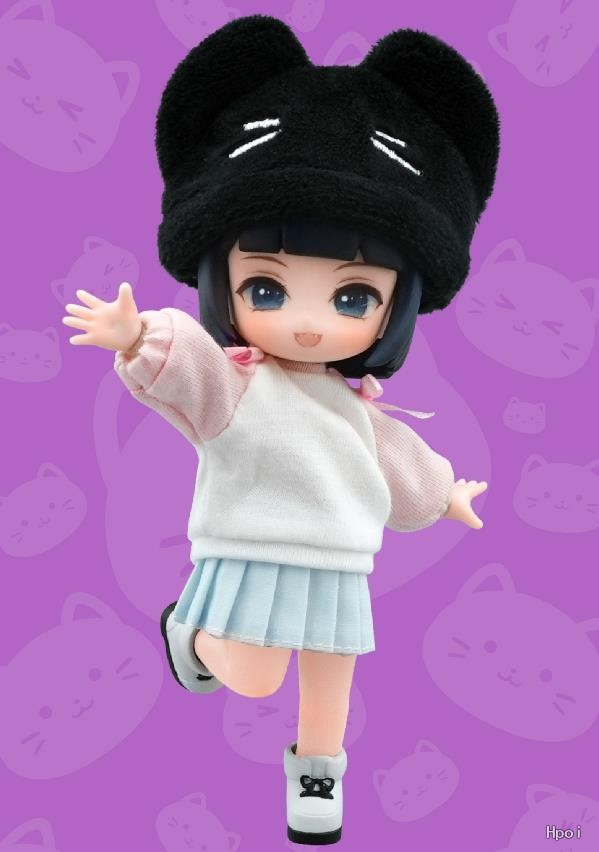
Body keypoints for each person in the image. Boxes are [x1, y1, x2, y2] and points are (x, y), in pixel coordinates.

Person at [62, 15, 500, 846]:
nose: (306, 322)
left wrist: (445, 494)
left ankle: (317, 772)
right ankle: (192, 634)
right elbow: (184, 363)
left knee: (331, 672)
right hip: (250, 549)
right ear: (220, 281)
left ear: (394, 305)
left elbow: (396, 463)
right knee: (257, 677)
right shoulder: (236, 385)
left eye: (351, 296)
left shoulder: (356, 406)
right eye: (265, 288)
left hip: (338, 559)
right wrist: (135, 335)